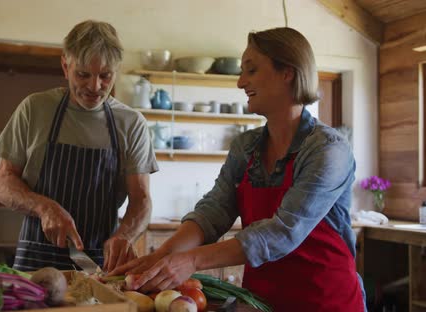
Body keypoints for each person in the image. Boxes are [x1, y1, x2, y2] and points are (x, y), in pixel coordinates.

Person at [111, 27, 366, 311]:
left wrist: (192, 260)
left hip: (327, 301)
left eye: (251, 70)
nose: (241, 82)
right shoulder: (246, 146)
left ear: (287, 73)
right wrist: (161, 255)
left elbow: (283, 232)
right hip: (261, 302)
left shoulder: (328, 148)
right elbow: (214, 212)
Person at [0, 20, 158, 273]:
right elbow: (1, 183)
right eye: (83, 74)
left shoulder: (131, 123)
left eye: (105, 76)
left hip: (98, 265)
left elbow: (141, 200)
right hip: (35, 264)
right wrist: (44, 207)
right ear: (65, 66)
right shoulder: (34, 109)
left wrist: (125, 236)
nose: (95, 86)